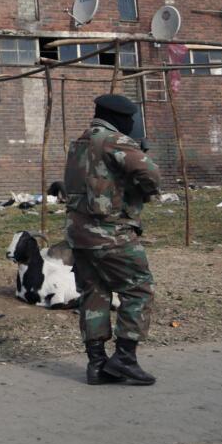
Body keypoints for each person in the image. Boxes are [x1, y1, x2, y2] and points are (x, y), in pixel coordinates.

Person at [62, 94, 163, 387]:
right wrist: (137, 188)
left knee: (94, 294)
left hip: (79, 234)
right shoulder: (115, 141)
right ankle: (125, 358)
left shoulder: (79, 142)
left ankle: (97, 365)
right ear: (119, 118)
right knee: (139, 289)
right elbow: (151, 175)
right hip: (110, 233)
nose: (132, 124)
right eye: (130, 119)